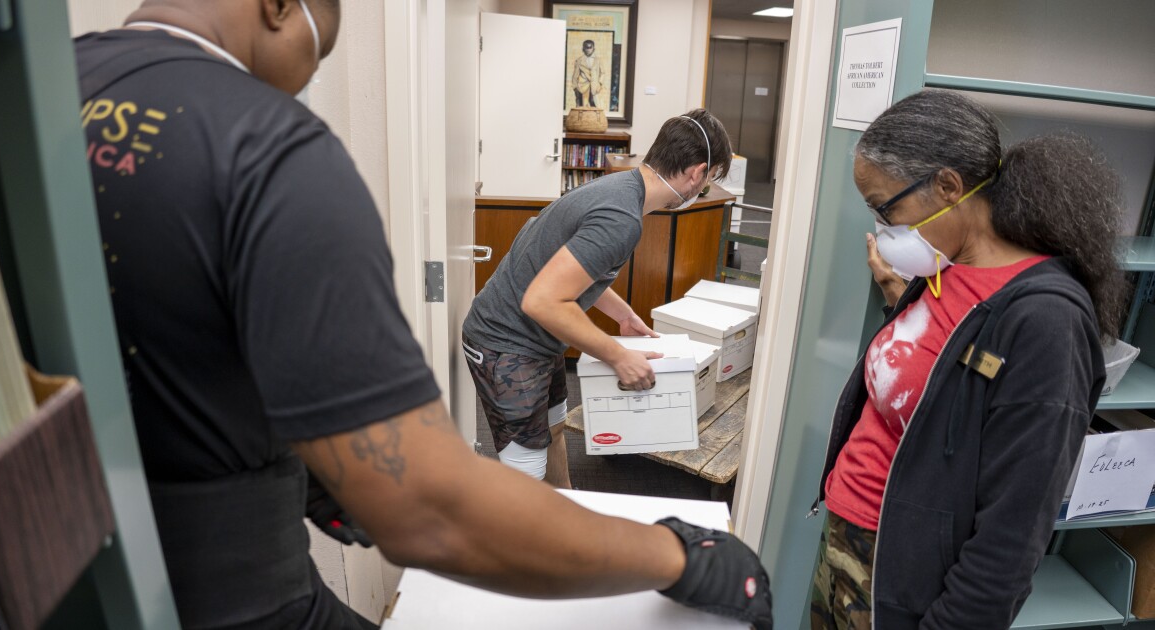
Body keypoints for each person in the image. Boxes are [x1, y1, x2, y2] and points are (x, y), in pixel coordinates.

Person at [75, 2, 771, 629]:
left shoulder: (49, 88)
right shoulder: (268, 148)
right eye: (320, 50)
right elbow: (430, 512)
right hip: (228, 588)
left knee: (543, 444)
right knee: (518, 466)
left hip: (77, 565)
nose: (305, 78)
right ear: (280, 6)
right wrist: (680, 554)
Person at [808, 89, 1123, 629]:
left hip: (903, 572)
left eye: (887, 208)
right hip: (850, 536)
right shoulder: (944, 267)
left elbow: (1012, 536)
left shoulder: (1047, 322)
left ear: (948, 186)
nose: (885, 230)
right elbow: (941, 370)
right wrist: (894, 301)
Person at [461, 110, 732, 486]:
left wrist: (623, 314)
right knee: (525, 473)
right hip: (505, 343)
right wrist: (618, 355)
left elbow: (569, 270)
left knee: (554, 430)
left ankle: (567, 507)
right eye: (707, 182)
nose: (700, 190)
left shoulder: (619, 189)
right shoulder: (622, 218)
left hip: (539, 340)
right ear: (697, 173)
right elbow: (543, 301)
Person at [572, 39, 605, 108]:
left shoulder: (598, 60)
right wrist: (575, 87)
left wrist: (600, 83)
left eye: (590, 47)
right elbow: (575, 75)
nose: (588, 49)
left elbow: (602, 73)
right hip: (582, 87)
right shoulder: (579, 60)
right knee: (581, 106)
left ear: (594, 49)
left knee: (595, 105)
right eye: (586, 47)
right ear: (583, 49)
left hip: (594, 86)